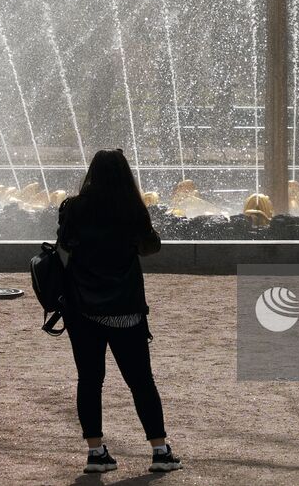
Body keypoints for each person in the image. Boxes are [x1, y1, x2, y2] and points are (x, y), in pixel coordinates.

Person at [57, 149, 181, 474]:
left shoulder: (74, 207)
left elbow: (64, 245)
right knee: (141, 381)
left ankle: (95, 453)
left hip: (82, 308)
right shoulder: (131, 210)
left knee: (89, 380)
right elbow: (149, 247)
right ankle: (160, 451)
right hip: (125, 309)